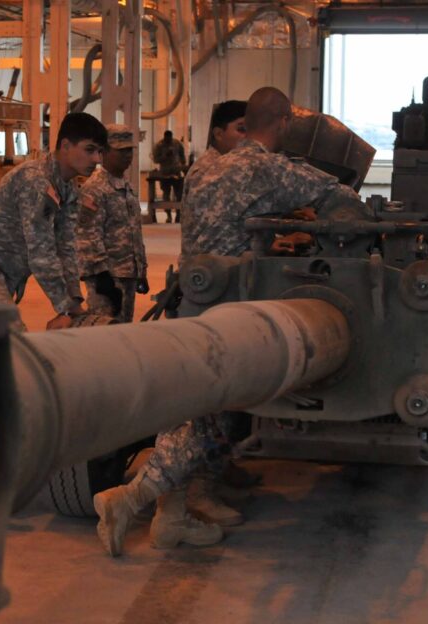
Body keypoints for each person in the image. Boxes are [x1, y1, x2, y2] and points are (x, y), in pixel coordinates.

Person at [94, 87, 360, 557]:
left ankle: (173, 519)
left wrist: (270, 235)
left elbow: (230, 224)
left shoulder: (203, 168)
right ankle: (127, 500)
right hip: (229, 312)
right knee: (203, 421)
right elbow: (340, 197)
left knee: (191, 408)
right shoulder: (267, 167)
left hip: (190, 298)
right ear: (282, 122)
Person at [0, 112, 107, 331]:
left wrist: (74, 303)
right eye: (90, 150)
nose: (97, 159)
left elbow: (65, 248)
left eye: (100, 152)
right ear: (66, 146)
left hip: (1, 274)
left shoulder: (68, 189)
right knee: (11, 339)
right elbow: (40, 251)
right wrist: (63, 308)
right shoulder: (34, 180)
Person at [76, 124, 148, 323]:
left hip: (127, 275)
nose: (127, 155)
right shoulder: (95, 188)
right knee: (104, 330)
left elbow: (134, 231)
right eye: (121, 150)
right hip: (107, 278)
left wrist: (141, 270)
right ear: (104, 152)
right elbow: (87, 236)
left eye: (129, 150)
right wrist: (102, 278)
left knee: (123, 331)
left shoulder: (126, 186)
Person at [181, 99, 247, 264]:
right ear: (218, 134)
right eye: (241, 129)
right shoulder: (209, 171)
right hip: (207, 268)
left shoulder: (228, 167)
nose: (247, 137)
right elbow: (211, 235)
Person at [150, 130, 187, 222]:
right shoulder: (159, 145)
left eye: (170, 139)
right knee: (166, 194)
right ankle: (168, 215)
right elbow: (155, 159)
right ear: (164, 137)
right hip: (165, 173)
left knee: (179, 194)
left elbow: (182, 157)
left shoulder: (177, 144)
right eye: (167, 139)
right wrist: (165, 156)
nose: (168, 141)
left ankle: (178, 215)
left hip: (177, 172)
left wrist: (184, 167)